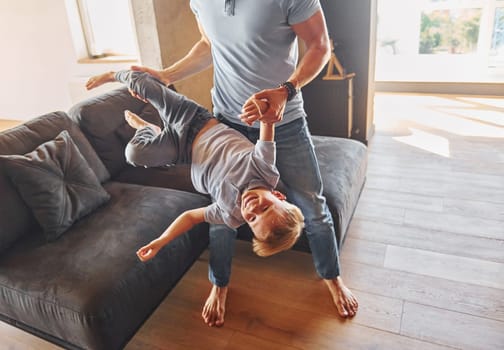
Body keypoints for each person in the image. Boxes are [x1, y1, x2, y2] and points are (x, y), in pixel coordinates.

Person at [131, 0, 359, 326]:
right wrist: (166, 75)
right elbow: (209, 43)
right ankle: (219, 284)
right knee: (223, 215)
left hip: (285, 121)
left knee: (313, 206)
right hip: (226, 120)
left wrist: (286, 90)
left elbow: (321, 45)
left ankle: (331, 277)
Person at [85, 69, 305, 260]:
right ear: (278, 196)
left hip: (182, 151)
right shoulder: (265, 169)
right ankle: (113, 75)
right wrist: (265, 109)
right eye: (265, 208)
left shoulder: (230, 214)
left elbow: (190, 217)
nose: (252, 209)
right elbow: (268, 125)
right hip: (193, 120)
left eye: (252, 219)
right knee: (143, 85)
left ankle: (148, 129)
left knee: (134, 153)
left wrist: (161, 241)